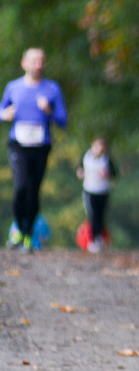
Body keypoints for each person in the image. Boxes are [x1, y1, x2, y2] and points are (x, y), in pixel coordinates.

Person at [0, 48, 68, 252]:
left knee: (33, 191)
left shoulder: (52, 89)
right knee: (20, 186)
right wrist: (5, 115)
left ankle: (28, 235)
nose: (38, 64)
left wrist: (49, 110)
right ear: (24, 64)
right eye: (34, 61)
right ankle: (19, 229)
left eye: (41, 61)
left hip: (40, 145)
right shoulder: (13, 87)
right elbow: (1, 111)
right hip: (18, 144)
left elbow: (62, 120)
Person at [76, 136, 117, 252]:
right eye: (98, 146)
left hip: (103, 191)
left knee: (101, 215)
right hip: (89, 190)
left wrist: (107, 174)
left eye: (102, 146)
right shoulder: (86, 157)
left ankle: (100, 238)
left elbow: (114, 173)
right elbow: (79, 169)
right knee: (92, 215)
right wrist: (80, 172)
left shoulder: (106, 159)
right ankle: (92, 239)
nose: (100, 149)